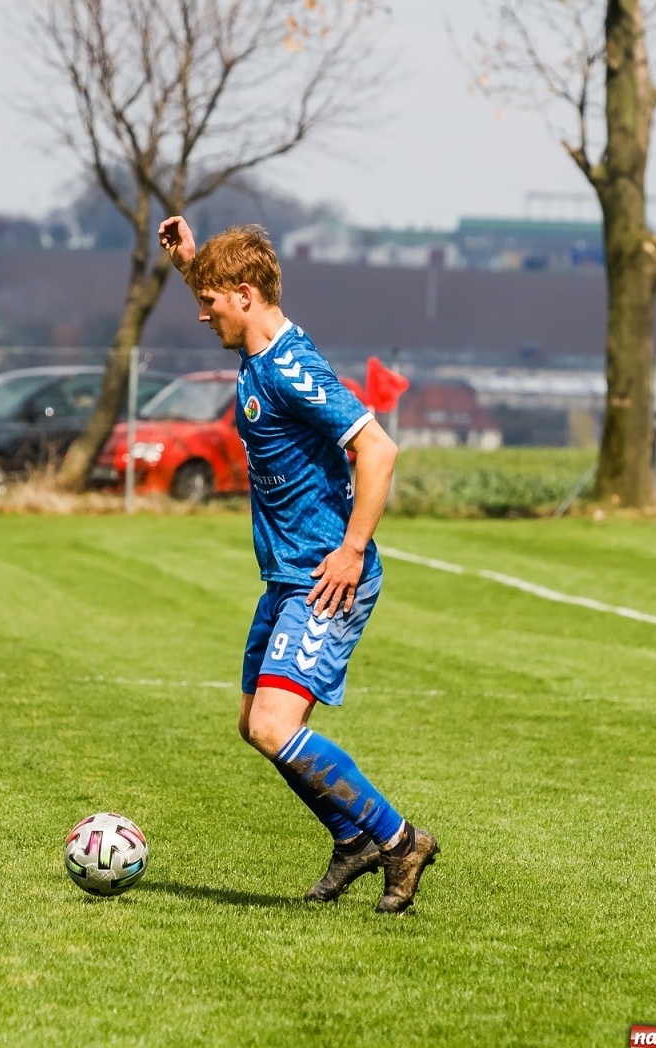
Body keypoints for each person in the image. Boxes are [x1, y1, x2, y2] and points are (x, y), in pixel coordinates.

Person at [157, 216, 438, 913]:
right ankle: (353, 839)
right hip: (290, 578)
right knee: (255, 723)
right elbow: (225, 297)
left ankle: (400, 842)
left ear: (245, 294)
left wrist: (349, 551)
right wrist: (192, 263)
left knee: (276, 727)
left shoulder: (292, 369)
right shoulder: (261, 344)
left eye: (211, 301)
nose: (202, 312)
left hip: (326, 575)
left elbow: (379, 449)